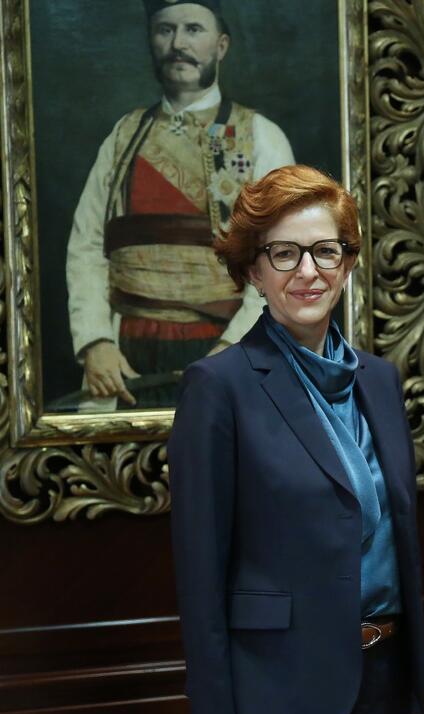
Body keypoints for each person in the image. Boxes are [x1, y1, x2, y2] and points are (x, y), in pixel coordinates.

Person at [170, 165, 424, 714]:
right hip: (277, 699)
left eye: (324, 251)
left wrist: (406, 683)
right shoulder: (218, 388)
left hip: (381, 682)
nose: (307, 271)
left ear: (347, 263)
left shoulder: (379, 382)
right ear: (253, 271)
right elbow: (200, 577)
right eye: (284, 253)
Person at [67, 0, 294, 409]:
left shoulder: (261, 137)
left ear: (221, 46)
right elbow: (87, 246)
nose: (178, 44)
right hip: (125, 358)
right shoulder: (123, 135)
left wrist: (235, 349)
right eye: (165, 30)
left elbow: (282, 260)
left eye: (193, 29)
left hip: (229, 351)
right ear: (151, 41)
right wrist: (95, 342)